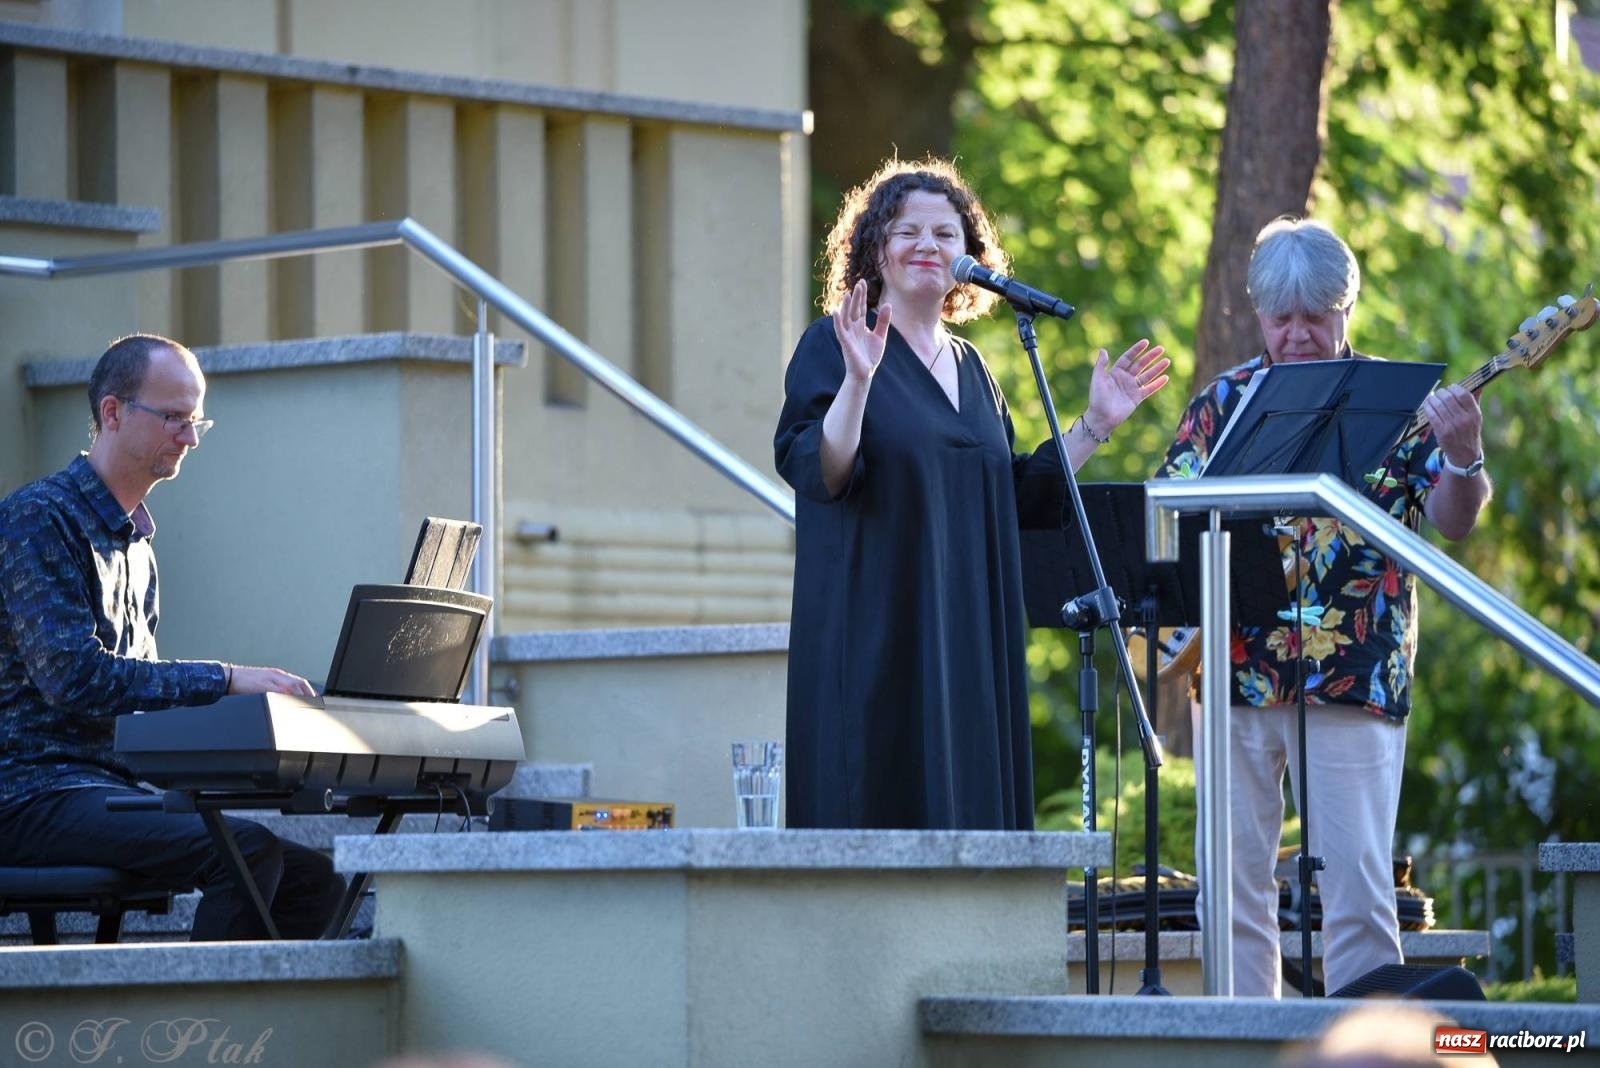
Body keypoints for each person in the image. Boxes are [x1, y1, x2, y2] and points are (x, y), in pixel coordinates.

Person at [774, 157, 1170, 829]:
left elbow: (1011, 497)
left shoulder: (975, 366)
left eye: (946, 233)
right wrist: (859, 381)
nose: (927, 245)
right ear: (875, 248)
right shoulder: (833, 347)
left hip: (967, 633)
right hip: (879, 628)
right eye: (907, 231)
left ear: (970, 255)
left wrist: (1097, 424)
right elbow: (822, 470)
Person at [1160, 217, 1492, 996]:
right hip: (1237, 673)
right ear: (1258, 315)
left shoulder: (1398, 402)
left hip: (1353, 673)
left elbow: (1453, 518)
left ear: (1348, 307)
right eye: (1283, 319)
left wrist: (1464, 454)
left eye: (1317, 316)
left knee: (1358, 890)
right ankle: (1245, 1049)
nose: (1299, 334)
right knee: (1230, 886)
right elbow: (1169, 517)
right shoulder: (1223, 404)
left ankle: (1364, 1048)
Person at [0, 333, 346, 940]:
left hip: (101, 788)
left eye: (195, 421)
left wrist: (262, 740)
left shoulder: (137, 546)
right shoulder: (39, 518)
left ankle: (249, 1033)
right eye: (174, 418)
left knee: (313, 881)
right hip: (27, 794)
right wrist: (226, 679)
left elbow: (140, 703)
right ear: (112, 412)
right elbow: (74, 677)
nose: (189, 438)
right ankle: (198, 1024)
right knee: (243, 852)